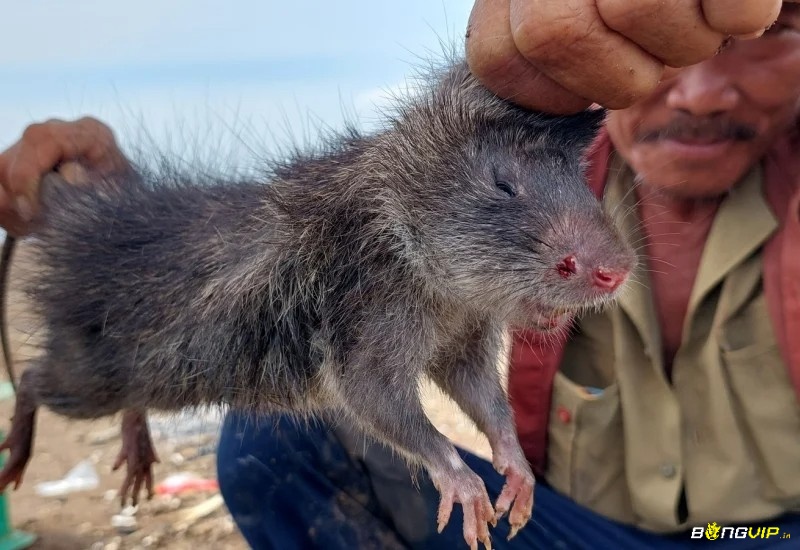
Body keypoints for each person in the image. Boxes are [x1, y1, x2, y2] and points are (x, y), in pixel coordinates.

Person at [0, 2, 797, 548]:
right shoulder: (520, 159)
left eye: (772, 33)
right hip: (562, 531)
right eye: (668, 52)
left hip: (757, 534)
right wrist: (115, 213)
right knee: (276, 438)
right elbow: (301, 238)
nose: (699, 89)